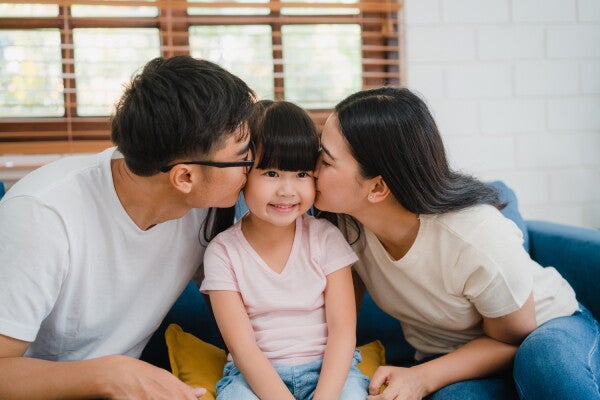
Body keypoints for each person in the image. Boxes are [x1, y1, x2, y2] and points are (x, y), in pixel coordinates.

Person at [313, 86, 599, 400]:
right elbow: (335, 324)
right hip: (452, 357)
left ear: (378, 187)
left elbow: (512, 339)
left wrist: (421, 378)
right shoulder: (343, 225)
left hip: (541, 329)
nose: (310, 170)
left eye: (325, 162)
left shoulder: (475, 234)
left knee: (544, 364)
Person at [0, 55, 255, 399]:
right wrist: (107, 374)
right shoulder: (43, 216)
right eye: (243, 157)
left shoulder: (211, 205)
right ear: (185, 177)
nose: (252, 167)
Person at [200, 100, 370, 400]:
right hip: (254, 377)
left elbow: (343, 331)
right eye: (272, 174)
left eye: (301, 174)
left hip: (328, 373)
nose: (287, 191)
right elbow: (242, 347)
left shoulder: (325, 238)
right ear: (243, 175)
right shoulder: (223, 252)